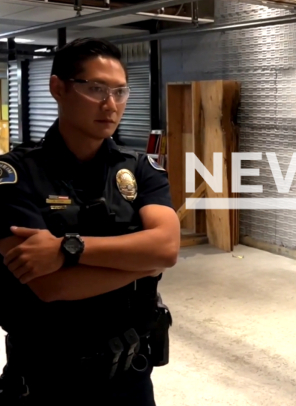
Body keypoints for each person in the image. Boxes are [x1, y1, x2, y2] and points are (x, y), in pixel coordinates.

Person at [0, 38, 181, 405]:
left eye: (119, 92)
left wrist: (69, 248)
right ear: (58, 88)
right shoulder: (15, 174)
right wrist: (140, 262)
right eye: (95, 89)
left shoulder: (141, 169)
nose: (110, 105)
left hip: (130, 379)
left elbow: (166, 248)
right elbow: (50, 285)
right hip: (46, 384)